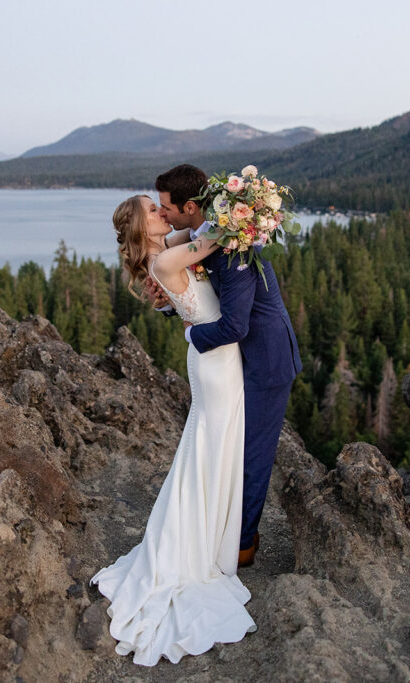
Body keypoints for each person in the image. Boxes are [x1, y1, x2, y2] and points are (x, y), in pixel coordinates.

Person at [90, 194, 257, 666]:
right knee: (211, 447)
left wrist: (230, 212)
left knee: (211, 448)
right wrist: (251, 208)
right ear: (143, 225)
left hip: (216, 360)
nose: (162, 211)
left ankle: (210, 536)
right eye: (153, 208)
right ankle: (199, 547)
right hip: (215, 365)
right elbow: (217, 236)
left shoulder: (166, 249)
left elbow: (198, 232)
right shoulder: (165, 257)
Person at [151, 164, 302, 567]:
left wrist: (190, 335)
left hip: (264, 359)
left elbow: (234, 324)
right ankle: (221, 525)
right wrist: (173, 304)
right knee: (232, 448)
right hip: (237, 360)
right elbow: (200, 293)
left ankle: (243, 543)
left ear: (188, 206)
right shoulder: (207, 236)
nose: (162, 214)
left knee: (252, 454)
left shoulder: (234, 249)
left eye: (166, 207)